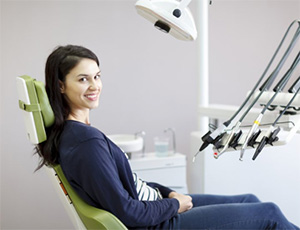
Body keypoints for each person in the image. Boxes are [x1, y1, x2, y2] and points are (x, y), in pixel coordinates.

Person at [36, 44, 299, 230]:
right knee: (270, 213)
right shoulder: (85, 145)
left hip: (157, 207)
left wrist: (169, 193)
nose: (94, 86)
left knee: (250, 201)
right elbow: (127, 211)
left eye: (97, 76)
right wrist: (173, 205)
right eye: (83, 79)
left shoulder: (78, 135)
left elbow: (131, 185)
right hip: (157, 223)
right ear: (61, 85)